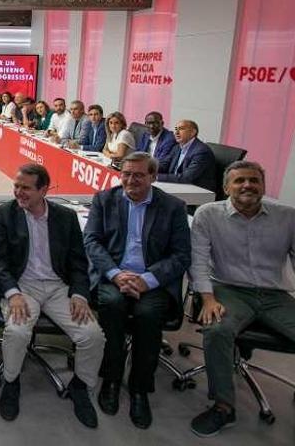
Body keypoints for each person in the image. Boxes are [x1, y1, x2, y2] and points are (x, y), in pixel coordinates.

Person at [0, 163, 105, 427]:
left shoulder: (66, 217)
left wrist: (79, 295)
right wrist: (13, 294)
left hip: (58, 288)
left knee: (92, 336)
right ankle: (11, 382)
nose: (18, 192)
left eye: (26, 188)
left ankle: (80, 386)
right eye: (16, 186)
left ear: (44, 190)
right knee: (17, 332)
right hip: (22, 286)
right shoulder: (5, 213)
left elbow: (78, 263)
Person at [83, 152, 191, 429]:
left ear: (153, 177)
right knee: (113, 307)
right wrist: (116, 275)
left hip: (152, 281)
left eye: (139, 175)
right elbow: (92, 242)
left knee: (147, 315)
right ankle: (111, 379)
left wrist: (148, 279)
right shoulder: (104, 200)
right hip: (113, 278)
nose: (131, 180)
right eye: (126, 174)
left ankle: (140, 388)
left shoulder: (173, 207)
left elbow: (181, 255)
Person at [187, 161, 295, 437]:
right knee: (218, 330)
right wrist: (207, 299)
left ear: (263, 186)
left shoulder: (287, 217)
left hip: (275, 294)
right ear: (226, 188)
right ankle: (224, 407)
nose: (247, 185)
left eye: (253, 180)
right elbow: (198, 262)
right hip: (228, 290)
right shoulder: (207, 215)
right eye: (239, 181)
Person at [157, 119, 216, 191]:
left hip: (197, 190)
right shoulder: (177, 147)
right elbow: (165, 164)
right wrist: (148, 170)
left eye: (181, 129)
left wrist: (156, 177)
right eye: (176, 129)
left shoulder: (201, 151)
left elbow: (186, 177)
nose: (176, 132)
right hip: (177, 185)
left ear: (193, 132)